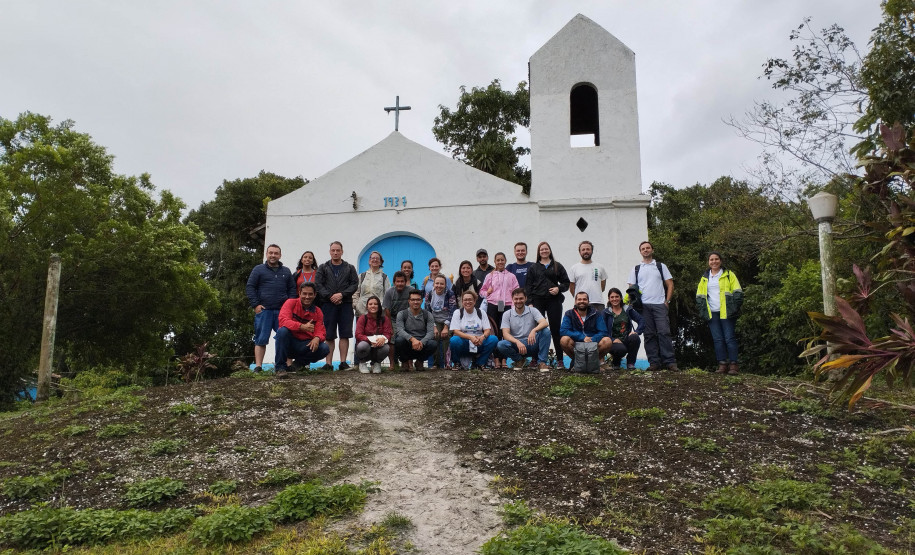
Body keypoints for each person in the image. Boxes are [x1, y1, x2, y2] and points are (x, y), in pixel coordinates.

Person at [627, 241, 677, 372]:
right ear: (640, 252)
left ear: (652, 250)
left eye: (648, 248)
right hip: (643, 307)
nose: (645, 250)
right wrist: (632, 303)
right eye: (643, 248)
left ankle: (670, 362)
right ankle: (654, 362)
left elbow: (670, 284)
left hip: (660, 304)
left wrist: (667, 301)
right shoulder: (636, 269)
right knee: (649, 334)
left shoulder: (660, 266)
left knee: (664, 332)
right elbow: (631, 288)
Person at [245, 244, 296, 372]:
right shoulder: (258, 269)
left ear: (280, 255)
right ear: (267, 254)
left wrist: (289, 305)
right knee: (261, 338)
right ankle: (258, 366)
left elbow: (292, 289)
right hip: (264, 310)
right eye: (271, 253)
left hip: (282, 312)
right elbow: (250, 287)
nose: (273, 255)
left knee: (285, 337)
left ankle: (288, 365)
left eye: (276, 253)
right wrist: (255, 305)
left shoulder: (286, 271)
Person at [695, 251, 743, 375]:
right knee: (718, 340)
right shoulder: (705, 277)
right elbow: (699, 296)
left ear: (720, 261)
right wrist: (703, 311)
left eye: (716, 259)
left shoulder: (729, 275)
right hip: (712, 313)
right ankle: (722, 365)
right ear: (708, 262)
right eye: (711, 259)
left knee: (729, 338)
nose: (714, 261)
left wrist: (734, 308)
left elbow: (738, 292)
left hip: (727, 312)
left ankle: (733, 365)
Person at [524, 241, 570, 368]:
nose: (544, 251)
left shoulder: (557, 266)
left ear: (550, 250)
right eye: (541, 249)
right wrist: (530, 303)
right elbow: (528, 286)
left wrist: (558, 289)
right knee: (537, 329)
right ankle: (535, 359)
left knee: (556, 330)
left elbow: (566, 283)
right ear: (538, 252)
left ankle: (560, 360)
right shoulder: (533, 268)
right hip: (538, 301)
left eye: (546, 249)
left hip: (554, 300)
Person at [315, 241, 359, 370]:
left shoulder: (350, 268)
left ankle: (343, 363)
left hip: (345, 304)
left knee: (344, 334)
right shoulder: (323, 267)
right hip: (328, 305)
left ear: (342, 251)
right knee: (329, 334)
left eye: (338, 250)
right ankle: (328, 363)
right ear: (330, 252)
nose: (335, 252)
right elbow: (318, 284)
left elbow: (354, 284)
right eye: (333, 250)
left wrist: (342, 295)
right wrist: (330, 296)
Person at [274, 282, 330, 378]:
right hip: (289, 343)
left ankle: (298, 364)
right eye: (304, 293)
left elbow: (321, 330)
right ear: (299, 293)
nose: (307, 297)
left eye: (310, 294)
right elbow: (283, 320)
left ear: (315, 295)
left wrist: (317, 337)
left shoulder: (318, 311)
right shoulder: (290, 303)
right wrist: (301, 326)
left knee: (324, 348)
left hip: (305, 345)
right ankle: (280, 368)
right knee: (282, 331)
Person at [480, 252, 520, 369]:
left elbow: (516, 292)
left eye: (502, 260)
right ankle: (496, 359)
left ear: (505, 261)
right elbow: (482, 291)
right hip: (493, 305)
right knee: (495, 333)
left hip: (506, 306)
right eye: (498, 260)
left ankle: (504, 360)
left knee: (505, 332)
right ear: (495, 262)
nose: (500, 262)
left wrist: (513, 306)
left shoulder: (511, 276)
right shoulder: (490, 276)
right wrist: (487, 293)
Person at [498, 288, 551, 371]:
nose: (518, 301)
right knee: (501, 344)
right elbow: (505, 334)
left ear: (526, 298)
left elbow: (545, 323)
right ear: (512, 299)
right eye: (516, 299)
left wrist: (534, 330)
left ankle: (542, 363)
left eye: (521, 298)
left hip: (532, 343)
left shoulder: (533, 310)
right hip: (517, 346)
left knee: (546, 331)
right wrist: (517, 342)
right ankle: (519, 360)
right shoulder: (507, 314)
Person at [560, 292, 612, 368]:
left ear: (588, 301)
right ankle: (577, 363)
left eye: (584, 299)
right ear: (575, 301)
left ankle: (593, 364)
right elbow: (563, 330)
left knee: (607, 341)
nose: (582, 301)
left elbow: (603, 331)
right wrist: (582, 337)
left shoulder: (596, 313)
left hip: (593, 343)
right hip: (576, 343)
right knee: (564, 340)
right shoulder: (569, 314)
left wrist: (592, 339)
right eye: (579, 299)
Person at [449, 291, 498, 369]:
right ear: (462, 302)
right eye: (465, 300)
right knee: (454, 340)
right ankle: (456, 363)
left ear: (475, 301)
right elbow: (455, 331)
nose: (468, 302)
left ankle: (480, 363)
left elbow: (487, 329)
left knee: (493, 339)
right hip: (464, 343)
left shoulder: (481, 312)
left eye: (470, 299)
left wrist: (482, 337)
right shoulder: (458, 312)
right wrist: (470, 337)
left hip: (479, 342)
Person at [394, 290, 437, 370]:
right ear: (409, 301)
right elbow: (400, 330)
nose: (415, 302)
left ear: (421, 301)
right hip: (407, 344)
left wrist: (422, 342)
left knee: (433, 344)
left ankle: (420, 361)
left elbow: (431, 332)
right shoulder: (402, 314)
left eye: (418, 300)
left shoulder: (428, 315)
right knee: (399, 340)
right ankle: (405, 362)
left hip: (421, 345)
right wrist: (413, 339)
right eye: (413, 300)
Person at [603, 287, 643, 370]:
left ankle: (631, 363)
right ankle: (616, 362)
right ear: (609, 299)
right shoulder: (606, 312)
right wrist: (612, 339)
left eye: (617, 296)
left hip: (626, 339)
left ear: (620, 297)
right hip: (613, 342)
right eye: (612, 297)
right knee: (621, 349)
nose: (615, 299)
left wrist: (637, 332)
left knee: (635, 338)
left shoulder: (627, 309)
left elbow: (641, 320)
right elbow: (602, 329)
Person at [383, 271, 414, 368]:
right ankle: (392, 363)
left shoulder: (411, 290)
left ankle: (410, 362)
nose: (400, 284)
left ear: (405, 282)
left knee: (409, 338)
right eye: (398, 281)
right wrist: (390, 327)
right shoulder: (389, 292)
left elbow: (414, 305)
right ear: (394, 282)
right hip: (393, 318)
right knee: (391, 340)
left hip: (407, 318)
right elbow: (387, 310)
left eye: (402, 281)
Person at [354, 295, 392, 374]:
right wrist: (370, 340)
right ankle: (362, 363)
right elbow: (358, 334)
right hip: (366, 345)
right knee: (362, 345)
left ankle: (376, 363)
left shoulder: (385, 319)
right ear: (367, 306)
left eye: (375, 304)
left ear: (379, 306)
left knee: (386, 348)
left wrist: (383, 339)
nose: (373, 306)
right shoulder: (362, 318)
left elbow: (388, 333)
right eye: (370, 304)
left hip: (379, 345)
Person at [424, 274, 455, 368]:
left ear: (445, 285)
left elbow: (453, 310)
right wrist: (433, 326)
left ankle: (447, 363)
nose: (439, 286)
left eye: (442, 284)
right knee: (435, 337)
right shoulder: (429, 294)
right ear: (433, 284)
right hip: (435, 319)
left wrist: (446, 327)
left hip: (447, 319)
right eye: (437, 283)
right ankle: (436, 364)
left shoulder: (450, 294)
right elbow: (427, 311)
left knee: (447, 337)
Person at [569, 240, 608, 311]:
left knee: (600, 322)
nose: (585, 251)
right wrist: (579, 299)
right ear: (580, 252)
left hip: (598, 303)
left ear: (592, 251)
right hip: (580, 303)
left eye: (588, 249)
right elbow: (572, 288)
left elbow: (602, 286)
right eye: (583, 249)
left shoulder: (600, 267)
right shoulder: (574, 268)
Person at [355, 251, 390, 316]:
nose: (375, 260)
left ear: (380, 262)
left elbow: (388, 295)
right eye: (373, 258)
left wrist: (382, 308)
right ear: (369, 261)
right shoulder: (362, 276)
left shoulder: (384, 277)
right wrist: (357, 306)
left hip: (379, 313)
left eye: (377, 258)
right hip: (362, 312)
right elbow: (356, 293)